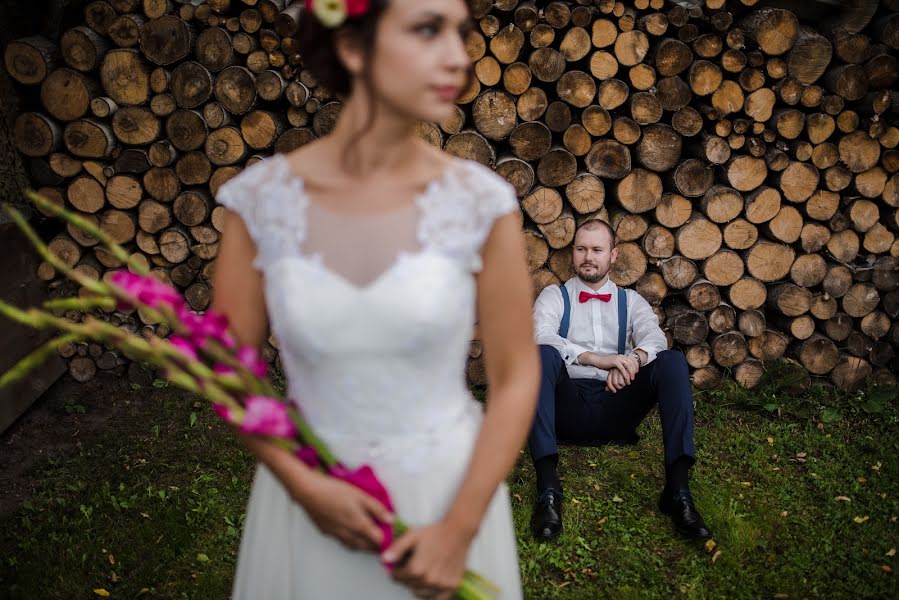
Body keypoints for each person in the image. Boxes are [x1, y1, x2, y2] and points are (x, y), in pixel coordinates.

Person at [210, 1, 540, 598]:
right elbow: (229, 370)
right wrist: (303, 486)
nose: (458, 57)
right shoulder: (258, 205)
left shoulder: (481, 205)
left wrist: (459, 528)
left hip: (446, 495)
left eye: (460, 33)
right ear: (354, 47)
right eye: (426, 29)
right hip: (310, 501)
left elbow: (516, 375)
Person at [527, 219, 711, 542]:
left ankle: (678, 491)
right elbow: (539, 334)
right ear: (573, 253)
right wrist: (597, 359)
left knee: (671, 361)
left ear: (612, 255)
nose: (588, 257)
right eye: (582, 249)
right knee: (540, 355)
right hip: (566, 406)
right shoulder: (555, 296)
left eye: (597, 250)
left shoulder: (631, 301)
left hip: (617, 404)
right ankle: (548, 490)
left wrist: (631, 361)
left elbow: (654, 338)